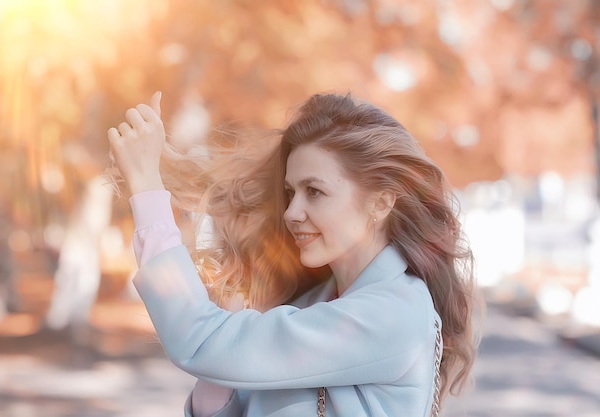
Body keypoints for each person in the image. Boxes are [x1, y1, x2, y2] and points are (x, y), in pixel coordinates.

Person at [107, 91, 480, 417]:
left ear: (380, 203)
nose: (291, 212)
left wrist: (146, 189)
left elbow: (201, 342)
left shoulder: (393, 312)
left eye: (314, 191)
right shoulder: (311, 305)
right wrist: (239, 312)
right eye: (290, 193)